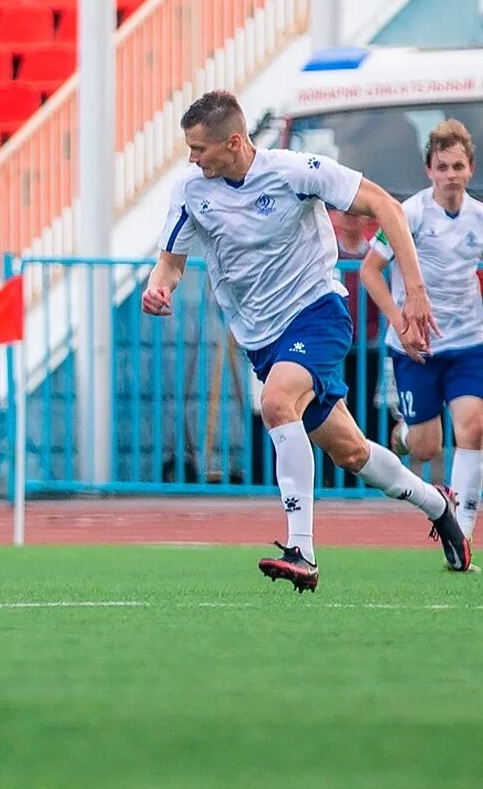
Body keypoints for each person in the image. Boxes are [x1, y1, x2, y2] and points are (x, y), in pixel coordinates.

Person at [143, 90, 469, 591]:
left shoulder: (295, 171)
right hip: (261, 337)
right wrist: (158, 285)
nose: (191, 158)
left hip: (317, 312)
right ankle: (437, 504)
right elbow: (173, 258)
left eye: (198, 149)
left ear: (233, 142)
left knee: (276, 403)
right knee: (352, 453)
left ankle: (303, 551)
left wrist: (416, 292)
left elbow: (385, 205)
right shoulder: (191, 189)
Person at [360, 120, 483, 540]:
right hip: (417, 347)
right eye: (442, 166)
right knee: (426, 447)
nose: (451, 175)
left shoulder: (479, 218)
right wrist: (400, 322)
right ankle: (404, 433)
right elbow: (370, 272)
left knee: (473, 426)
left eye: (458, 166)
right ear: (429, 170)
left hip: (468, 341)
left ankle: (463, 525)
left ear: (471, 169)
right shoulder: (408, 214)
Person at [331, 208, 384, 458]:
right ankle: (331, 475)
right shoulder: (328, 252)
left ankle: (364, 472)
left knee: (365, 408)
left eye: (355, 214)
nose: (350, 219)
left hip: (368, 342)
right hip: (333, 344)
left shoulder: (375, 255)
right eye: (346, 214)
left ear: (365, 218)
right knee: (331, 409)